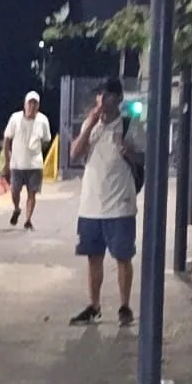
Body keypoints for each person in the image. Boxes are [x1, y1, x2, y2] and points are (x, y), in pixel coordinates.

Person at [68, 77, 144, 327]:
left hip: (120, 203)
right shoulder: (91, 125)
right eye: (99, 94)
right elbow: (75, 153)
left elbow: (145, 159)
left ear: (118, 98)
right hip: (91, 204)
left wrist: (130, 152)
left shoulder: (130, 125)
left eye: (107, 94)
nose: (102, 99)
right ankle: (94, 305)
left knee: (123, 256)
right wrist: (90, 124)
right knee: (93, 257)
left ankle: (124, 306)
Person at [2, 91, 53, 230]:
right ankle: (16, 208)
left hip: (35, 165)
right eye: (30, 103)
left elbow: (46, 140)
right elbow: (7, 139)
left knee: (32, 193)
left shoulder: (43, 120)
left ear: (38, 106)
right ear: (25, 104)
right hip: (17, 164)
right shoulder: (15, 118)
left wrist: (38, 148)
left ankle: (28, 220)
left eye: (35, 104)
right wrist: (7, 161)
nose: (32, 106)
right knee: (14, 191)